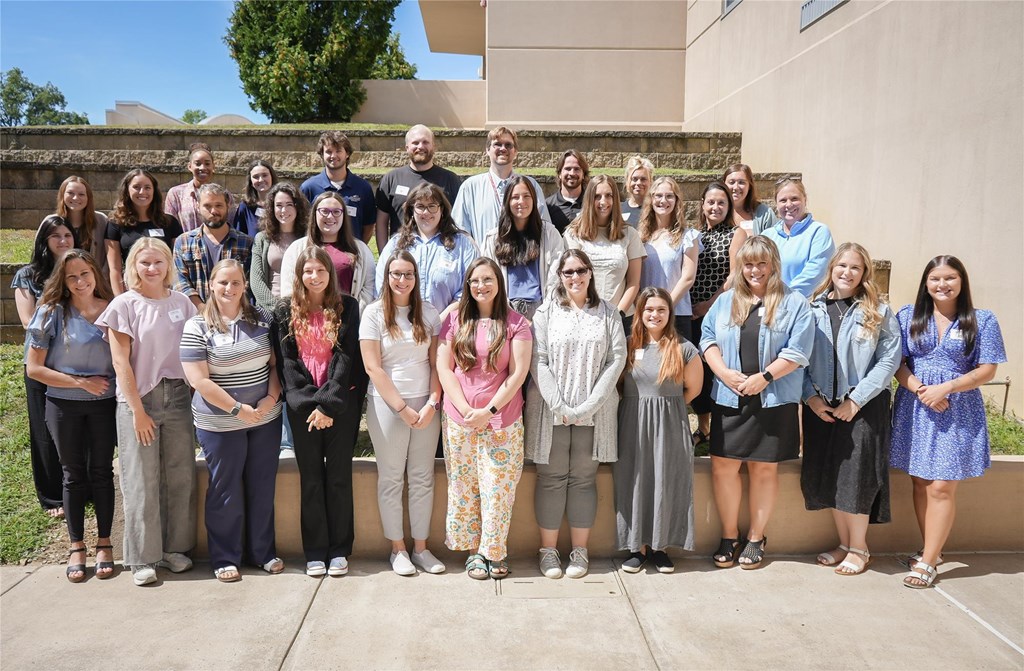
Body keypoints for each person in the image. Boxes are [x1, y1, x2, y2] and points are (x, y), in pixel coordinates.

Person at [891, 256, 1005, 589]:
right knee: (920, 483)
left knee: (941, 487)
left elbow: (988, 368)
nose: (943, 285)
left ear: (962, 281)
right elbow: (897, 362)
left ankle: (927, 562)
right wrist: (922, 389)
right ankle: (934, 550)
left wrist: (948, 387)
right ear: (926, 283)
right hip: (915, 406)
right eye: (935, 278)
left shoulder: (982, 320)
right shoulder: (907, 315)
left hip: (957, 410)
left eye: (950, 278)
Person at [700, 236, 813, 570]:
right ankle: (728, 535)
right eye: (748, 263)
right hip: (729, 396)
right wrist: (724, 374)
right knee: (723, 467)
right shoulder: (725, 302)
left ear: (773, 265)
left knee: (764, 470)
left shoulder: (794, 303)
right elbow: (707, 338)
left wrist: (763, 377)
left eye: (762, 263)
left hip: (772, 398)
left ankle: (755, 538)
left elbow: (797, 351)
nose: (755, 270)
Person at [96, 238, 198, 586]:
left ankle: (173, 549)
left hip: (180, 397)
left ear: (168, 264)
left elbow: (195, 353)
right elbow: (120, 362)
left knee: (180, 475)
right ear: (133, 268)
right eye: (144, 263)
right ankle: (142, 557)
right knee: (141, 479)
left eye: (158, 262)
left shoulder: (183, 303)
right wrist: (138, 411)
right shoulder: (124, 305)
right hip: (140, 399)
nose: (152, 269)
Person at [180, 259, 284, 582]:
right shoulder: (196, 326)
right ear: (210, 284)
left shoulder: (263, 319)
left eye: (236, 282)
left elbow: (275, 365)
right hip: (220, 423)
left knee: (262, 485)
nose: (230, 288)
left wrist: (270, 399)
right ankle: (225, 556)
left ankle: (262, 552)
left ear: (245, 285)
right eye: (223, 282)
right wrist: (239, 410)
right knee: (225, 489)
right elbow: (199, 380)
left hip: (265, 418)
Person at [525, 249, 627, 579]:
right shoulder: (545, 313)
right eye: (568, 272)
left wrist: (587, 406)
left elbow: (616, 360)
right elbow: (537, 360)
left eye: (581, 270)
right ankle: (549, 551)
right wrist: (559, 404)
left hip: (594, 412)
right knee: (552, 478)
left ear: (591, 273)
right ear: (559, 276)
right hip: (551, 411)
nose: (575, 277)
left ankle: (580, 552)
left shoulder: (608, 313)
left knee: (584, 479)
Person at [801, 243, 902, 576]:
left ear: (865, 273)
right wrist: (811, 399)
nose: (847, 272)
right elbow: (797, 358)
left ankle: (860, 548)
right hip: (821, 408)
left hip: (862, 407)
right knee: (830, 475)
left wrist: (856, 400)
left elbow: (889, 360)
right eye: (841, 265)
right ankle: (843, 544)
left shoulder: (878, 311)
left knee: (855, 478)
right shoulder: (811, 309)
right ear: (832, 268)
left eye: (855, 268)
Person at [437, 258, 532, 580]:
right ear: (467, 285)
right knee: (465, 487)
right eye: (475, 280)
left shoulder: (517, 323)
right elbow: (443, 368)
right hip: (458, 420)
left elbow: (518, 373)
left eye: (488, 279)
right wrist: (465, 410)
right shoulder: (453, 320)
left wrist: (488, 411)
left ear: (498, 283)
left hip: (502, 420)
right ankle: (474, 551)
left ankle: (494, 551)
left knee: (498, 489)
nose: (481, 286)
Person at [272, 246, 362, 578]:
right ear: (299, 275)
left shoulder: (347, 307)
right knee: (310, 479)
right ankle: (315, 551)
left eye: (321, 271)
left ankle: (339, 549)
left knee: (338, 478)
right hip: (303, 409)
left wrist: (327, 405)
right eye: (308, 271)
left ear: (330, 274)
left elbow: (345, 358)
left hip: (339, 405)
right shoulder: (284, 311)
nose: (315, 276)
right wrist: (311, 404)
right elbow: (288, 364)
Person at [26, 250, 116, 581]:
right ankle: (76, 545)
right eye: (72, 277)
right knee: (73, 474)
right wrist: (81, 382)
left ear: (96, 273)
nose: (80, 282)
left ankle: (104, 543)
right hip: (63, 404)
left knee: (102, 472)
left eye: (85, 274)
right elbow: (35, 369)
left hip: (105, 405)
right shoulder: (51, 312)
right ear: (62, 282)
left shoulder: (114, 309)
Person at [360, 251, 446, 576]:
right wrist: (402, 408)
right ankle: (398, 549)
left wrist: (432, 401)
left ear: (416, 277)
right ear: (386, 276)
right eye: (396, 273)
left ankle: (421, 548)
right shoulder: (372, 314)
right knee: (392, 478)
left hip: (426, 404)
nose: (402, 279)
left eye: (408, 273)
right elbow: (373, 367)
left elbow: (437, 363)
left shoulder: (430, 314)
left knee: (423, 477)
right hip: (388, 406)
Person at [615, 287, 703, 574]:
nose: (655, 315)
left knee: (666, 481)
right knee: (635, 480)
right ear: (639, 312)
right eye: (649, 309)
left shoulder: (683, 348)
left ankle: (660, 547)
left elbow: (693, 390)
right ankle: (636, 547)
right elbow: (617, 385)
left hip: (669, 422)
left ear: (670, 313)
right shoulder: (627, 345)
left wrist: (665, 407)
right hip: (632, 422)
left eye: (661, 310)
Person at [12, 217, 78, 519]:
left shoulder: (79, 270)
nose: (63, 241)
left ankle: (79, 488)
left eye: (68, 235)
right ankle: (53, 497)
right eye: (56, 236)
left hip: (75, 360)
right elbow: (28, 322)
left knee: (76, 428)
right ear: (44, 240)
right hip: (41, 361)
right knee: (44, 429)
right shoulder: (28, 275)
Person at [690, 182, 748, 447]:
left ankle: (723, 428)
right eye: (711, 202)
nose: (715, 207)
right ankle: (704, 427)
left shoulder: (736, 234)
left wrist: (707, 305)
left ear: (729, 206)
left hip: (719, 311)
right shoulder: (695, 234)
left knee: (717, 368)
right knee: (697, 368)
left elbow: (734, 275)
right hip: (690, 313)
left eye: (721, 203)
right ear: (702, 204)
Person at [376, 183, 479, 317]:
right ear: (411, 211)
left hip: (449, 329)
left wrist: (439, 321)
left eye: (432, 206)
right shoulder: (395, 244)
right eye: (420, 206)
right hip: (403, 326)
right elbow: (381, 286)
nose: (426, 212)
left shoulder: (463, 244)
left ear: (442, 210)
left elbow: (471, 287)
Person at [563, 175, 646, 332]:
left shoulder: (630, 234)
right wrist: (587, 313)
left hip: (622, 319)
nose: (603, 202)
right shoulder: (574, 234)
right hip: (584, 318)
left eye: (609, 195)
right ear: (589, 200)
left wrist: (617, 314)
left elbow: (633, 283)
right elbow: (570, 279)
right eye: (597, 196)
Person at [480, 175, 564, 321]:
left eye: (526, 196)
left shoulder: (549, 234)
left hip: (541, 310)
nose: (521, 202)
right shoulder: (492, 239)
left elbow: (556, 279)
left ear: (534, 200)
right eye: (515, 197)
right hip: (504, 311)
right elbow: (486, 278)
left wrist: (542, 316)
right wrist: (505, 311)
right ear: (507, 201)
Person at [451, 126, 551, 242]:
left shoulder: (531, 186)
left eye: (508, 145)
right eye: (497, 144)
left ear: (515, 152)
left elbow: (544, 228)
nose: (503, 149)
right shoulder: (470, 188)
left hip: (523, 257)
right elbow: (460, 234)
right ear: (487, 150)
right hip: (484, 257)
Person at [280, 192, 375, 309]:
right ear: (314, 214)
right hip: (309, 321)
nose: (330, 216)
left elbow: (368, 288)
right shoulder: (296, 249)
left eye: (336, 212)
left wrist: (352, 316)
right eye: (324, 211)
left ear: (343, 215)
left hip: (349, 321)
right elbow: (288, 289)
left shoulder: (361, 250)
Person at [374, 124, 462, 247]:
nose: (420, 147)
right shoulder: (391, 179)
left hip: (440, 252)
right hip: (401, 254)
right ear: (407, 147)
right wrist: (385, 254)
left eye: (425, 142)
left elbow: (459, 220)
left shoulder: (450, 179)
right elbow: (381, 222)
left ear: (434, 146)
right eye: (415, 143)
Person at [638, 176, 700, 342]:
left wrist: (665, 308)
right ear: (651, 200)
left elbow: (688, 277)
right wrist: (653, 311)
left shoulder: (688, 236)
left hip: (676, 313)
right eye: (658, 196)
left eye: (669, 196)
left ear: (676, 201)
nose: (663, 201)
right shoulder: (641, 237)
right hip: (647, 315)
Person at [173, 183, 253, 309]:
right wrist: (203, 310)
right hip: (196, 316)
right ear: (198, 207)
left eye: (219, 205)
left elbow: (248, 283)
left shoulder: (245, 243)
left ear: (228, 206)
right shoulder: (183, 242)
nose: (214, 211)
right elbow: (180, 282)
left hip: (235, 315)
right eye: (207, 206)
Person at [105, 169, 183, 295]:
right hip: (133, 290)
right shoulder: (116, 223)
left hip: (164, 290)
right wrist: (119, 299)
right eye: (136, 187)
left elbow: (178, 263)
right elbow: (114, 269)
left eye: (147, 187)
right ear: (127, 190)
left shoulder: (169, 222)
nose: (142, 192)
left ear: (154, 190)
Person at [761, 177, 835, 298]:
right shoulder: (767, 236)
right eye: (783, 200)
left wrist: (785, 299)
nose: (789, 204)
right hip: (770, 305)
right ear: (776, 204)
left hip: (805, 307)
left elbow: (814, 274)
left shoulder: (819, 232)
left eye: (794, 199)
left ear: (805, 200)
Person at [300, 131, 375, 242]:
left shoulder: (363, 188)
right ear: (322, 154)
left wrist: (357, 248)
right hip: (318, 255)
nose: (333, 156)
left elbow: (368, 225)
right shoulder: (309, 188)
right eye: (328, 152)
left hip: (351, 255)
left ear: (347, 153)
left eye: (338, 151)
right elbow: (301, 224)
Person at [251, 182, 310, 313]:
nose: (284, 210)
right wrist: (277, 308)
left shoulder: (309, 238)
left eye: (289, 204)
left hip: (303, 309)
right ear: (272, 208)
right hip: (270, 311)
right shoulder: (262, 238)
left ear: (298, 207)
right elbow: (256, 281)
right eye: (279, 205)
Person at [165, 142, 233, 232]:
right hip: (186, 244)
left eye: (207, 164)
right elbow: (170, 227)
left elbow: (231, 224)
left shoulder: (224, 194)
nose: (202, 167)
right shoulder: (176, 194)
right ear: (190, 166)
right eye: (198, 164)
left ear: (213, 166)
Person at [53, 176, 108, 275]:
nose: (75, 198)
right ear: (62, 195)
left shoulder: (101, 221)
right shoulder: (51, 222)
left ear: (88, 197)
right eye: (70, 193)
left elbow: (110, 258)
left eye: (81, 194)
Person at [545, 149, 590, 235]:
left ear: (583, 174)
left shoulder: (592, 203)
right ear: (559, 173)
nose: (572, 173)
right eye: (568, 169)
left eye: (577, 169)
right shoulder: (548, 206)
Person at [723, 164, 775, 234]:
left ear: (749, 186)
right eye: (731, 182)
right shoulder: (717, 211)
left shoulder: (765, 213)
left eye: (741, 182)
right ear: (724, 185)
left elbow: (774, 241)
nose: (736, 187)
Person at [233, 159, 278, 238]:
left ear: (272, 176)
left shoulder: (282, 204)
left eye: (265, 175)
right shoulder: (245, 207)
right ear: (251, 181)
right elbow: (238, 237)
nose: (261, 180)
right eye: (256, 177)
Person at [620, 155, 653, 226]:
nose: (638, 183)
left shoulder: (655, 209)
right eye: (634, 179)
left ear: (650, 182)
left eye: (643, 179)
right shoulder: (618, 209)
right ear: (627, 181)